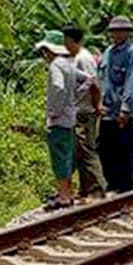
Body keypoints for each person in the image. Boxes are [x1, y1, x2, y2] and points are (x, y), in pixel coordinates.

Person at [97, 16, 133, 194]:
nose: (114, 34)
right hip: (107, 109)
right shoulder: (108, 51)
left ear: (127, 33)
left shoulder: (132, 53)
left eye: (118, 31)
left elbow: (131, 83)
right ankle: (112, 182)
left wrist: (126, 110)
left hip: (122, 110)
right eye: (112, 31)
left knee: (123, 148)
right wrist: (99, 103)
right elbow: (103, 79)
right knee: (104, 148)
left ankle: (125, 185)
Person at [36, 30, 80, 209]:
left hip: (59, 120)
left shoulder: (55, 66)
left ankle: (63, 196)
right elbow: (86, 81)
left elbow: (58, 87)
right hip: (70, 117)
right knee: (68, 156)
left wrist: (54, 110)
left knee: (59, 157)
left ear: (50, 50)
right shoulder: (69, 64)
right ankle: (68, 193)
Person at [63, 26, 107, 200]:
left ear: (75, 41)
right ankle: (85, 189)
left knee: (87, 150)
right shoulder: (74, 58)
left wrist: (97, 106)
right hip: (77, 111)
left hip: (85, 111)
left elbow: (94, 84)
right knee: (79, 150)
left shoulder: (84, 58)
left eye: (66, 41)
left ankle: (98, 189)